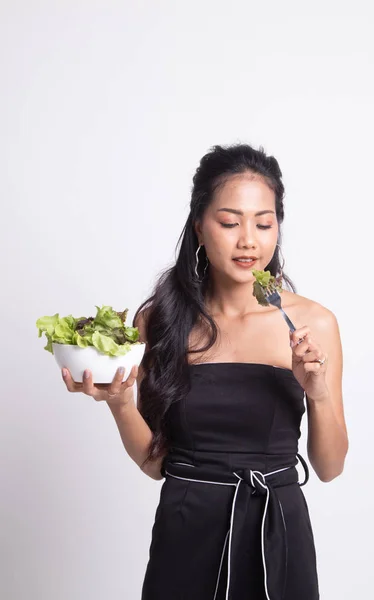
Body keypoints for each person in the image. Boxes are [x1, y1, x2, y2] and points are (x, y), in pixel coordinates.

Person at [62, 143, 349, 599]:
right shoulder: (159, 322)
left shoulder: (314, 323)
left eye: (264, 223)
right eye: (230, 222)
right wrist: (119, 402)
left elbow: (330, 468)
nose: (249, 240)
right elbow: (156, 464)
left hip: (278, 533)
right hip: (185, 531)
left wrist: (317, 391)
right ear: (200, 227)